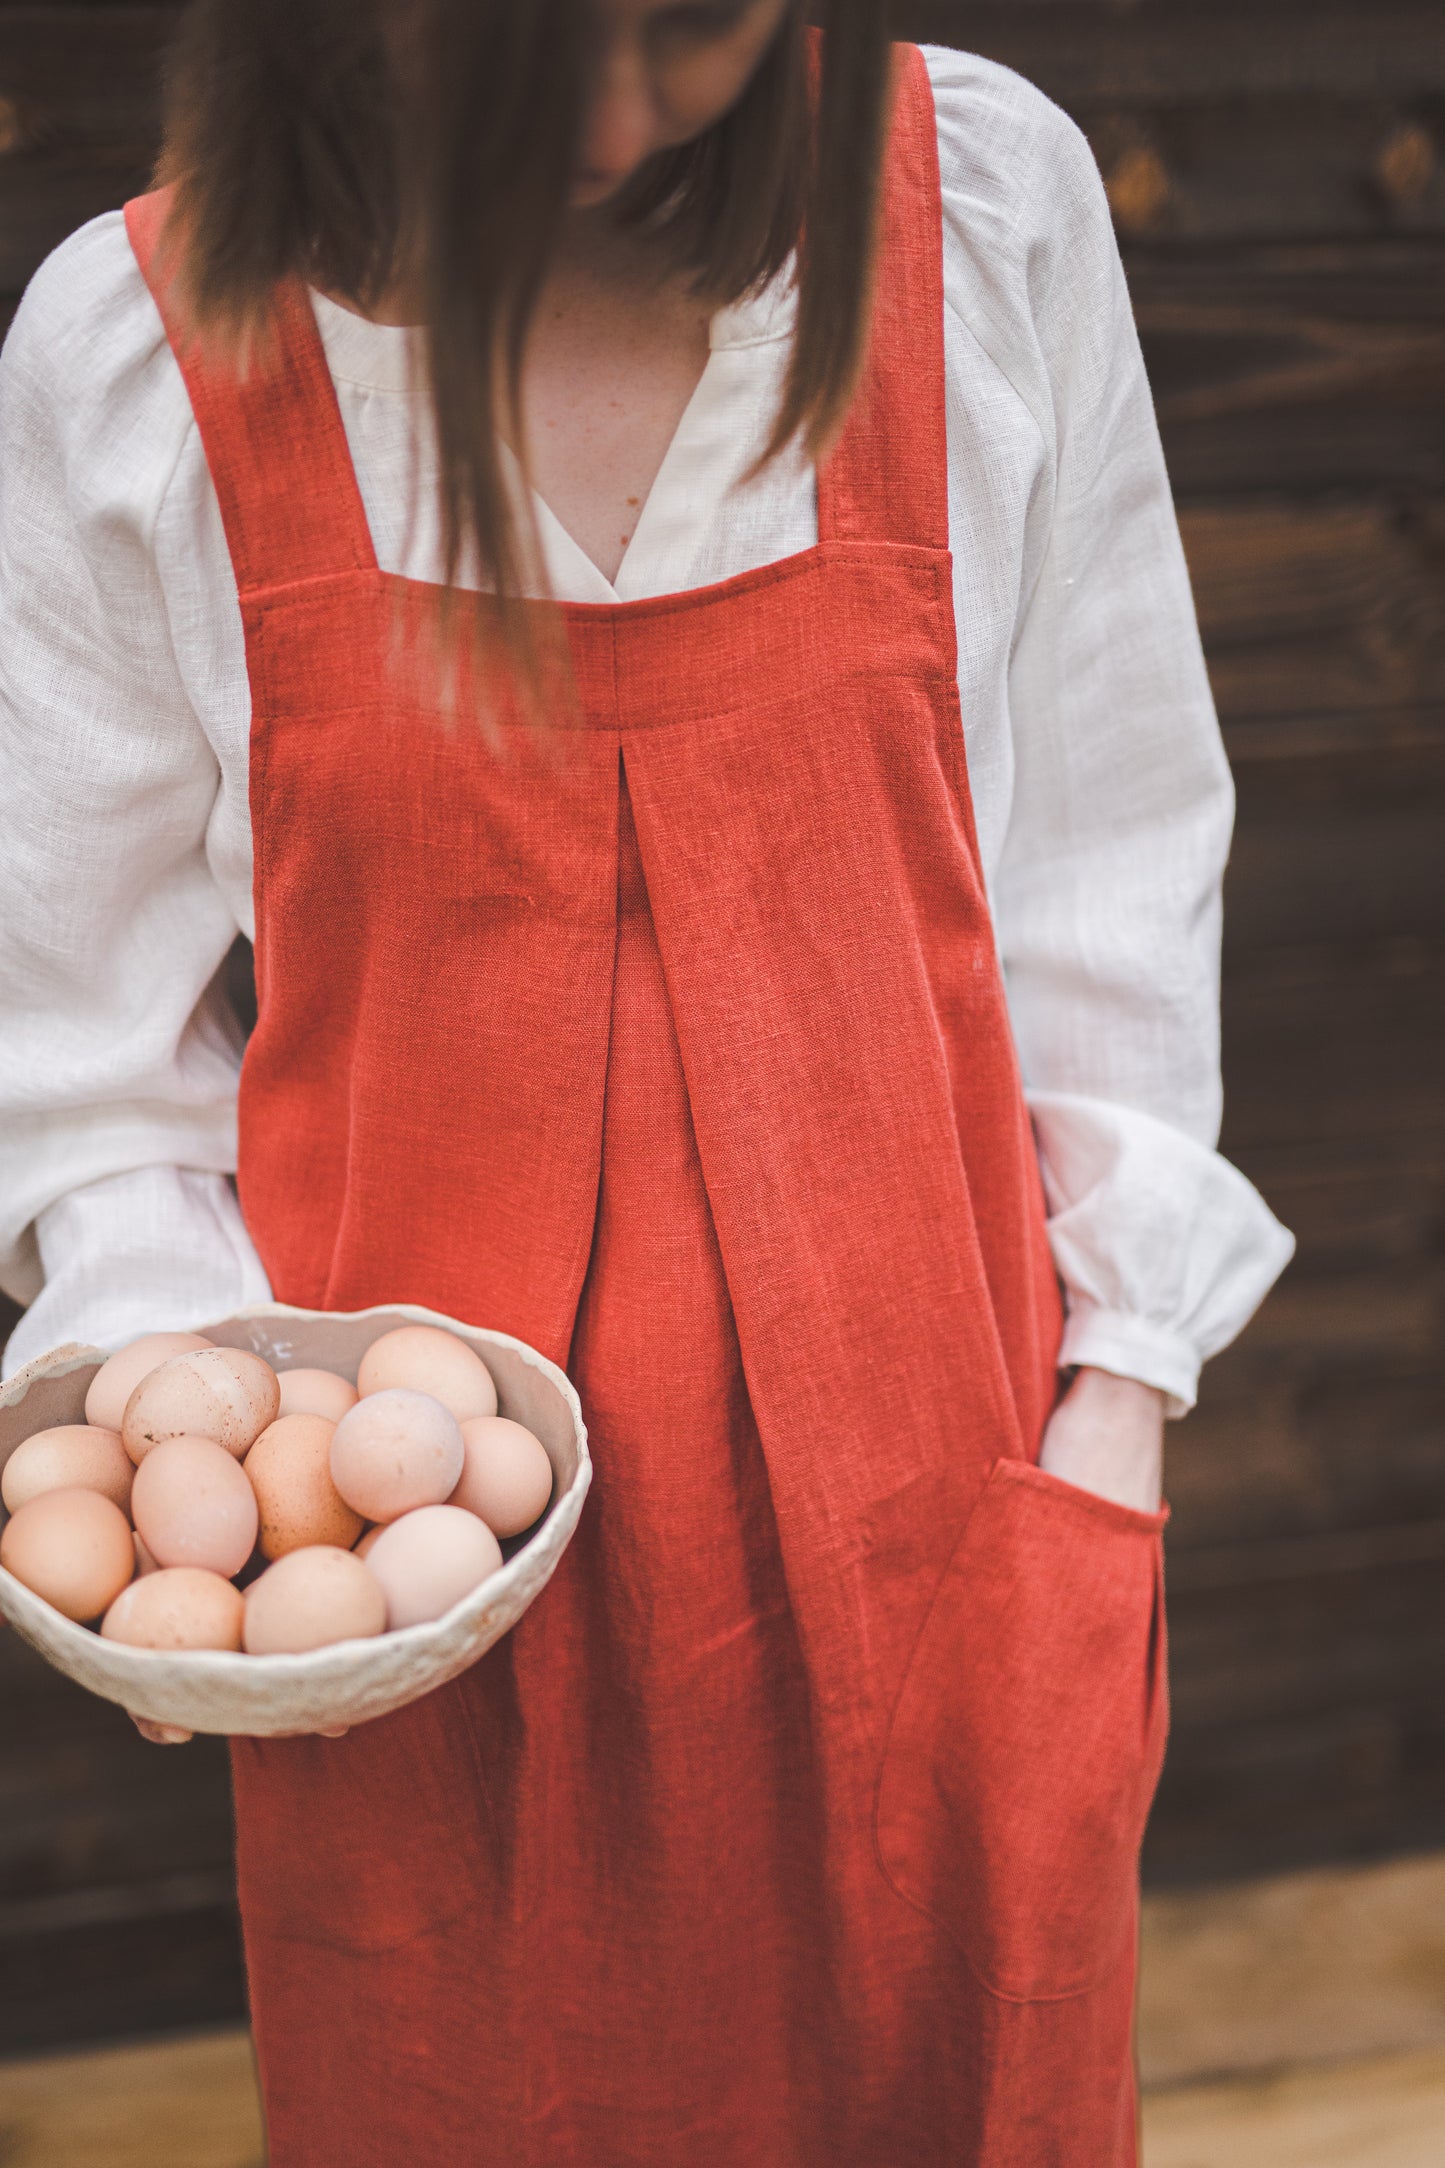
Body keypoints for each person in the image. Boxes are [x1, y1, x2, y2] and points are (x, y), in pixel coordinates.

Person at [0, 2, 1293, 2161]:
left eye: (687, 23)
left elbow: (1111, 848)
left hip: (947, 1539)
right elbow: (80, 1048)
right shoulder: (137, 356)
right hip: (434, 1585)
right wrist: (169, 1440)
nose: (607, 114)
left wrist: (1114, 1405)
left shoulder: (977, 213)